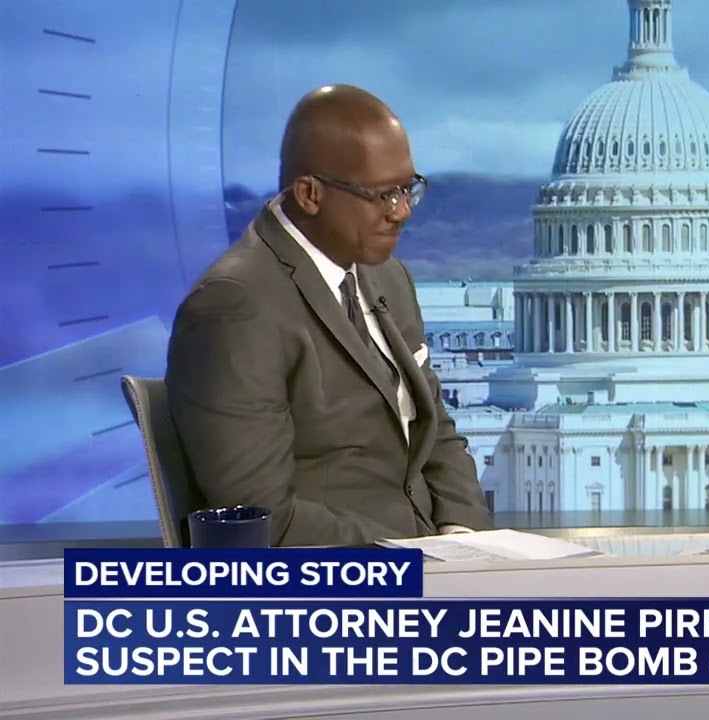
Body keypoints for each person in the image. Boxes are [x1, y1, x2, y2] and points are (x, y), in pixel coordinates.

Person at [166, 84, 492, 546]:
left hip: (438, 565)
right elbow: (266, 517)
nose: (401, 211)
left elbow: (436, 434)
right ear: (310, 194)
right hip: (343, 579)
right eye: (382, 195)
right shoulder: (233, 306)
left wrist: (465, 537)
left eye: (408, 189)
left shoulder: (388, 278)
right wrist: (411, 561)